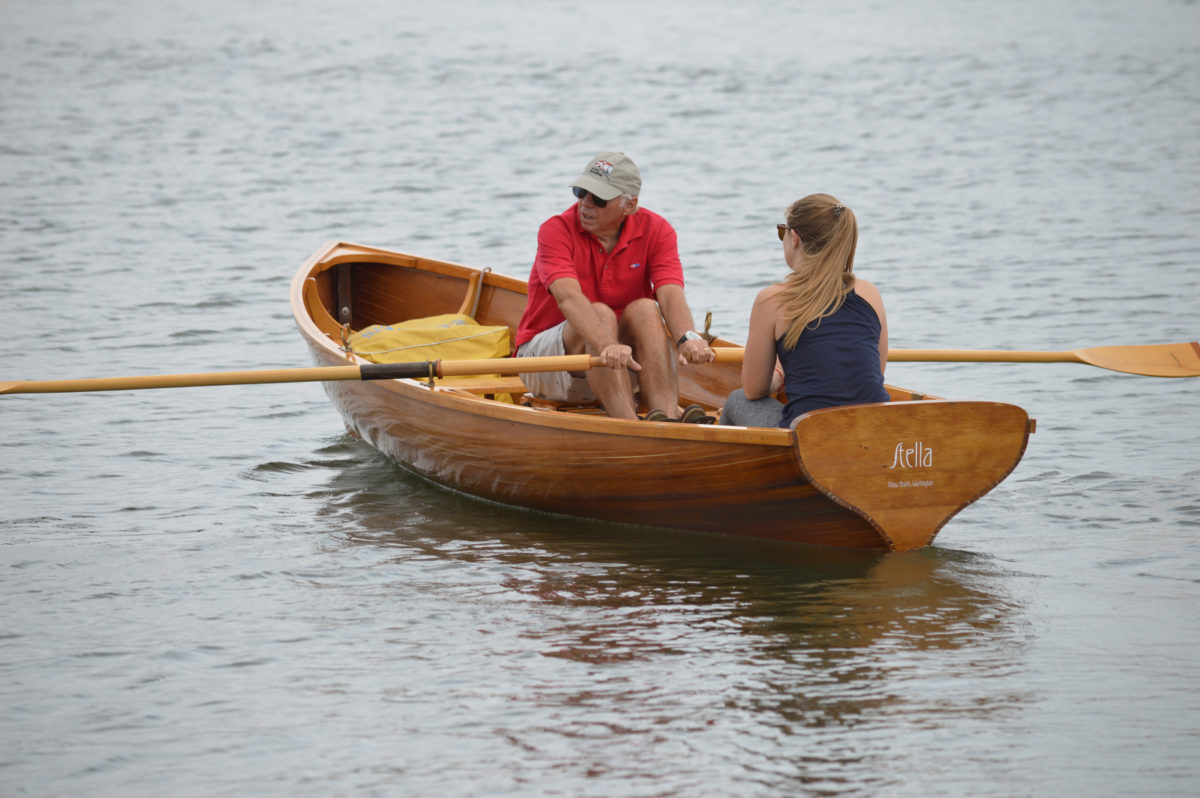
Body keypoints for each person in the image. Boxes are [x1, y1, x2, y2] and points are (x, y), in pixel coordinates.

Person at [514, 151, 715, 420]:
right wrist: (607, 344)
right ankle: (629, 426)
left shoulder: (657, 230)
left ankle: (667, 419)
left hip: (619, 361)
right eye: (581, 192)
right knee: (600, 314)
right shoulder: (555, 231)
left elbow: (670, 292)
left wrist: (688, 338)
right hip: (548, 365)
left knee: (646, 308)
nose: (585, 204)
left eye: (598, 198)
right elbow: (569, 298)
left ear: (629, 206)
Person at [719, 194, 889, 428]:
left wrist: (779, 374)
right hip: (876, 427)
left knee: (737, 399)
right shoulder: (870, 293)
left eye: (782, 232)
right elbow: (875, 374)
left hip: (812, 439)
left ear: (795, 238)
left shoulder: (771, 300)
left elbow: (753, 390)